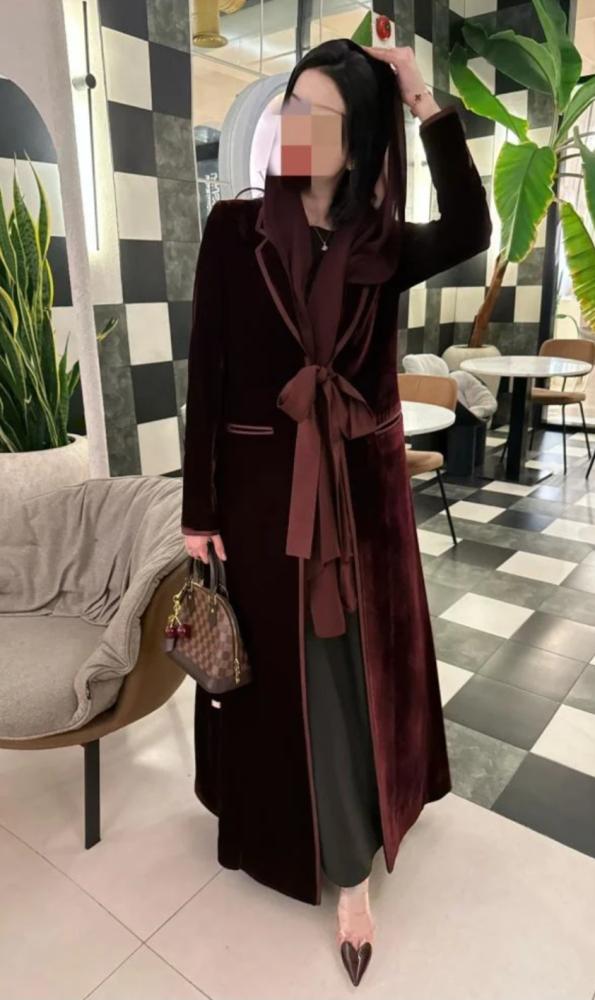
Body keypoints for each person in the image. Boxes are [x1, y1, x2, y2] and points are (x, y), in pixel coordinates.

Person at [181, 38, 492, 987]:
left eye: (318, 115)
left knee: (350, 678)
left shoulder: (380, 245)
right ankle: (281, 835)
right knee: (275, 676)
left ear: (356, 143)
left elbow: (471, 227)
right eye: (290, 105)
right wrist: (197, 508)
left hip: (358, 506)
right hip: (261, 501)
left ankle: (351, 873)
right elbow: (207, 369)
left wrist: (425, 101)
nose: (294, 127)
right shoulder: (233, 229)